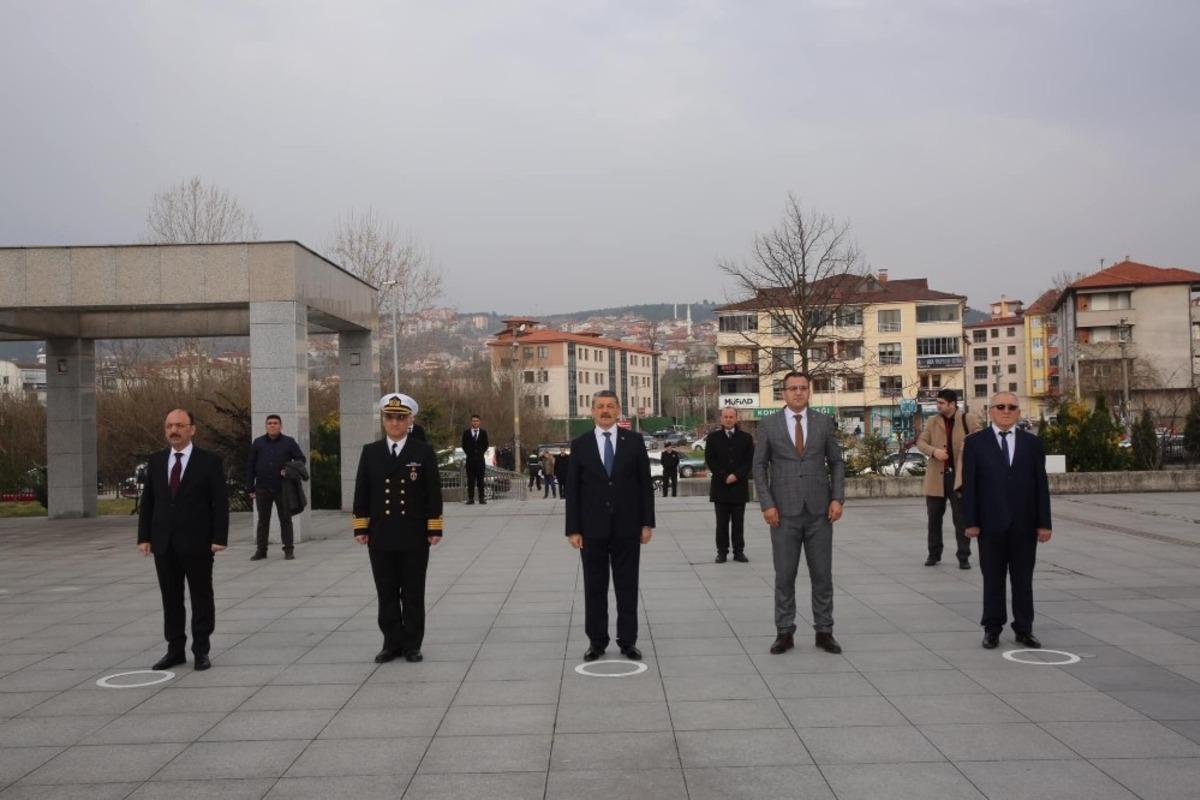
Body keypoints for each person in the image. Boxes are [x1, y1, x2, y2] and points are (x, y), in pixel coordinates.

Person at [753, 371, 846, 655]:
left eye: (803, 388)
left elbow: (837, 462)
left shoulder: (823, 422)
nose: (798, 393)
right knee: (784, 576)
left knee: (822, 575)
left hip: (820, 513)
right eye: (792, 388)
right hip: (782, 513)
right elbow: (759, 466)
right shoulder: (769, 425)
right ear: (784, 392)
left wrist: (837, 498)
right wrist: (767, 504)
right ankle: (784, 632)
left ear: (809, 391)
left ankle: (824, 631)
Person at [353, 393, 444, 663]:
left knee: (413, 591)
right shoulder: (371, 452)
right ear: (383, 420)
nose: (395, 422)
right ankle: (391, 642)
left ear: (410, 421)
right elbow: (362, 491)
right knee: (387, 591)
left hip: (413, 534)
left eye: (400, 418)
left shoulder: (422, 451)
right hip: (381, 533)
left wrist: (434, 527)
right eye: (390, 417)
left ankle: (412, 643)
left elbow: (432, 492)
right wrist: (361, 526)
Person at [565, 391, 655, 661]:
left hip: (627, 528)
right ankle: (597, 641)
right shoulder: (580, 444)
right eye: (600, 406)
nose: (605, 411)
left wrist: (646, 523)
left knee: (627, 586)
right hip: (592, 530)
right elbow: (573, 490)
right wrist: (573, 529)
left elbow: (644, 486)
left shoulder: (635, 442)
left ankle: (628, 641)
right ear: (592, 411)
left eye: (610, 406)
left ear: (618, 411)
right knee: (595, 587)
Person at [137, 409, 229, 672]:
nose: (173, 431)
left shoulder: (209, 461)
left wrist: (219, 537)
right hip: (163, 543)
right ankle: (174, 649)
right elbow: (149, 502)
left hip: (198, 542)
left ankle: (201, 650)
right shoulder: (156, 460)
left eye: (179, 425)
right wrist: (144, 536)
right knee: (171, 598)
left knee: (201, 596)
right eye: (169, 426)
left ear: (192, 429)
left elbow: (219, 502)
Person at [961, 391, 1053, 650]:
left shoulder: (1032, 444)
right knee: (993, 579)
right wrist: (971, 521)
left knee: (1023, 580)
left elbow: (1040, 486)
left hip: (1024, 525)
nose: (1006, 411)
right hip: (991, 525)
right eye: (1000, 406)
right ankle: (992, 629)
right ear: (990, 411)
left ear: (1018, 413)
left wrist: (1044, 523)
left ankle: (1024, 629)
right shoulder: (976, 443)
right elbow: (970, 486)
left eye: (1011, 407)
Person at [915, 389, 978, 569]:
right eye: (938, 403)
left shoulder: (967, 419)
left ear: (952, 404)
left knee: (961, 519)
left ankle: (963, 556)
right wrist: (934, 452)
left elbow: (981, 438)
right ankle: (934, 553)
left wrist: (969, 444)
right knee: (934, 518)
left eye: (941, 403)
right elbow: (921, 442)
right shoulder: (933, 421)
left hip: (958, 478)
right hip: (936, 477)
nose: (938, 406)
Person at [246, 414, 306, 561]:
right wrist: (250, 487)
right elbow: (250, 465)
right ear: (266, 426)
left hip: (282, 488)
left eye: (275, 423)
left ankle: (289, 550)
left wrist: (289, 470)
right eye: (269, 423)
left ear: (280, 426)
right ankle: (261, 550)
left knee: (285, 519)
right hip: (262, 487)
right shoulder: (258, 442)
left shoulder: (289, 442)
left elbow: (301, 459)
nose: (272, 425)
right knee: (263, 520)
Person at [705, 407, 755, 563]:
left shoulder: (746, 438)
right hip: (720, 488)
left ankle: (739, 551)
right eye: (725, 416)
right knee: (721, 524)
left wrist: (736, 475)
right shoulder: (713, 438)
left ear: (736, 418)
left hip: (739, 488)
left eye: (731, 416)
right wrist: (724, 476)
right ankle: (722, 552)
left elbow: (749, 461)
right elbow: (710, 460)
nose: (728, 419)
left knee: (738, 523)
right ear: (721, 419)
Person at [460, 414, 489, 505]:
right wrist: (469, 452)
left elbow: (486, 445)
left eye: (477, 421)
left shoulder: (483, 433)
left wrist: (480, 452)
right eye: (473, 421)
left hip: (480, 460)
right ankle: (471, 498)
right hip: (470, 460)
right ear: (471, 422)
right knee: (470, 480)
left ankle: (481, 498)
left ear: (479, 422)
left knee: (481, 480)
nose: (475, 422)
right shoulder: (466, 433)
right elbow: (463, 445)